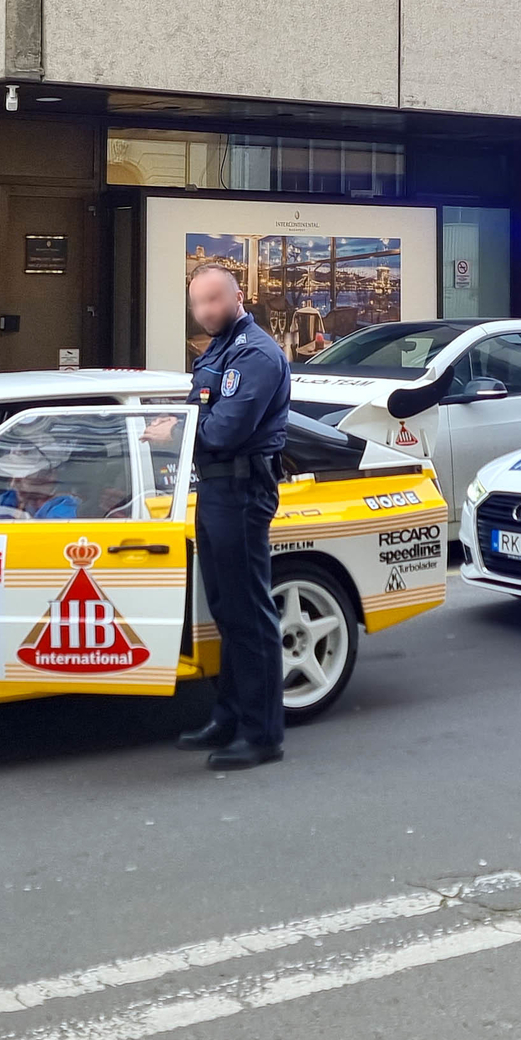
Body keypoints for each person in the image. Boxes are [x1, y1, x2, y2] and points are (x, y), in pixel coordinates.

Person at [172, 260, 291, 771]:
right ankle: (229, 715)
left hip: (243, 491)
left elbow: (222, 431)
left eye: (214, 300)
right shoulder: (217, 349)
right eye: (198, 303)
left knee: (249, 612)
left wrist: (176, 432)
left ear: (238, 296)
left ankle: (263, 734)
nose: (205, 311)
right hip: (216, 490)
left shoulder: (256, 353)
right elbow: (202, 413)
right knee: (224, 608)